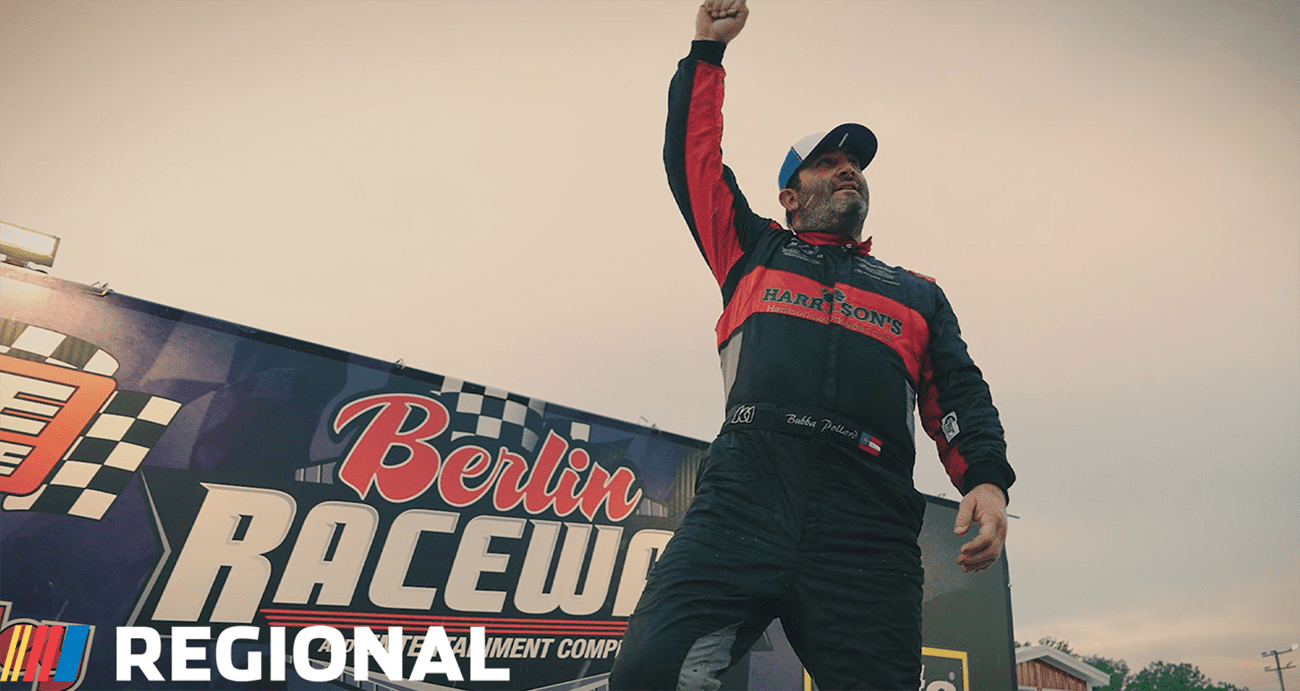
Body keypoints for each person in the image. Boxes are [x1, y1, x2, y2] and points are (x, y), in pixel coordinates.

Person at [608, 1, 1016, 689]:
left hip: (868, 514)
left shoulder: (917, 293)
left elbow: (960, 392)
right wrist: (707, 51)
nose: (847, 170)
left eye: (854, 163)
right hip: (747, 491)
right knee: (650, 673)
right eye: (827, 163)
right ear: (790, 197)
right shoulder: (752, 249)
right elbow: (693, 161)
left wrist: (985, 477)